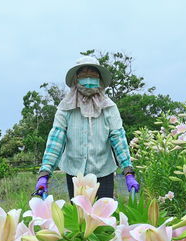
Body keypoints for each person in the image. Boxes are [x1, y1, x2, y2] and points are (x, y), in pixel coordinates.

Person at [34, 55, 140, 200]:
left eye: (93, 75)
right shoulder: (66, 108)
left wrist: (128, 171)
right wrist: (44, 173)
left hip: (103, 171)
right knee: (80, 218)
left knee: (104, 216)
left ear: (100, 79)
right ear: (76, 79)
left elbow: (118, 139)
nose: (88, 79)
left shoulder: (109, 107)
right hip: (75, 174)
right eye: (84, 75)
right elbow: (56, 140)